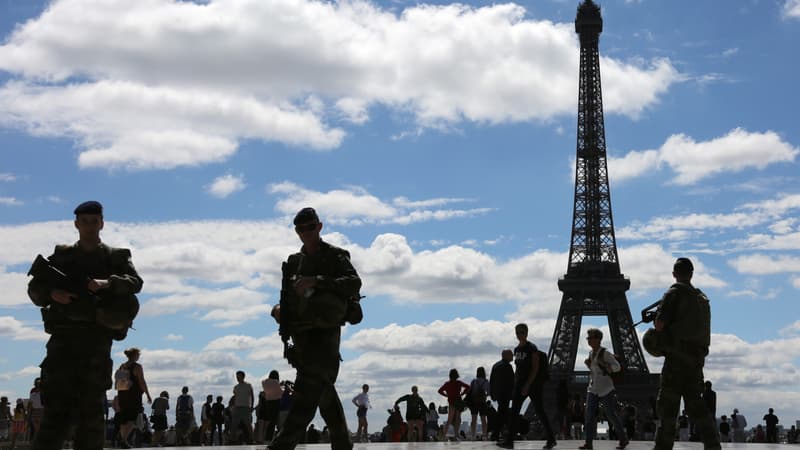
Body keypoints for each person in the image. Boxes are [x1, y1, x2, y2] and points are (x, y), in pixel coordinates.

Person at [27, 200, 143, 449]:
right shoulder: (63, 256)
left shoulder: (116, 257)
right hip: (63, 341)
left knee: (91, 412)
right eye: (85, 222)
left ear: (102, 223)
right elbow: (35, 289)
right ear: (76, 224)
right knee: (56, 411)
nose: (90, 226)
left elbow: (135, 283)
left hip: (95, 341)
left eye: (94, 221)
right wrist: (52, 294)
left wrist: (107, 283)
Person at [268, 207, 362, 450]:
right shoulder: (293, 262)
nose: (305, 233)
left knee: (308, 389)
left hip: (325, 331)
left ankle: (284, 443)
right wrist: (278, 311)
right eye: (300, 229)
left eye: (310, 227)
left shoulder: (335, 256)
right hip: (300, 334)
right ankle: (341, 441)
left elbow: (353, 283)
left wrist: (317, 281)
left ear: (319, 227)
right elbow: (287, 296)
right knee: (322, 390)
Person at [649, 258, 720, 450]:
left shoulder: (674, 293)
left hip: (676, 360)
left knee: (668, 409)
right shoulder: (701, 298)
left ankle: (663, 447)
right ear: (692, 273)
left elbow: (661, 324)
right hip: (696, 360)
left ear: (674, 274)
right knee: (697, 407)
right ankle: (713, 445)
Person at [498, 323, 556, 450]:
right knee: (514, 412)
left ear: (527, 333)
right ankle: (509, 441)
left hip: (532, 385)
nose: (520, 335)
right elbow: (518, 369)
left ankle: (551, 438)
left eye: (522, 332)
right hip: (519, 385)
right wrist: (516, 384)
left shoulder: (532, 348)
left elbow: (535, 369)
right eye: (518, 332)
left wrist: (527, 385)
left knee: (540, 412)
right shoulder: (516, 350)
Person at [578, 328, 628, 450]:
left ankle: (623, 439)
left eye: (590, 338)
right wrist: (590, 365)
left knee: (610, 415)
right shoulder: (591, 353)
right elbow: (595, 372)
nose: (588, 340)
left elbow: (618, 367)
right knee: (588, 416)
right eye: (588, 338)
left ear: (598, 339)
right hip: (593, 388)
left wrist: (608, 367)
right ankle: (588, 443)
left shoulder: (605, 353)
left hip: (606, 389)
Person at [116, 347, 152, 447]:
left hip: (123, 395)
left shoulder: (122, 366)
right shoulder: (137, 367)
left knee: (124, 419)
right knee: (132, 418)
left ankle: (124, 441)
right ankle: (123, 440)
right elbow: (142, 381)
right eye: (138, 354)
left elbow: (119, 383)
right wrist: (148, 395)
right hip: (133, 396)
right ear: (135, 355)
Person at [438, 368, 470, 440]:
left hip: (451, 403)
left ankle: (444, 435)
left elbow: (440, 391)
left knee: (449, 419)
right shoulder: (459, 383)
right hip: (458, 402)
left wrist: (446, 395)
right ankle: (456, 435)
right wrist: (463, 393)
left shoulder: (447, 384)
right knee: (458, 419)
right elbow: (468, 387)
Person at [489, 349, 514, 442]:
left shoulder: (496, 365)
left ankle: (497, 433)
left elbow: (492, 381)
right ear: (506, 356)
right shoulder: (508, 366)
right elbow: (512, 382)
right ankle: (503, 433)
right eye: (511, 355)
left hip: (498, 394)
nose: (513, 356)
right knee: (503, 414)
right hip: (505, 394)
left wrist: (492, 394)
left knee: (502, 413)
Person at [231, 370, 255, 443]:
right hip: (237, 407)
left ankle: (251, 439)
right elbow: (234, 397)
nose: (238, 378)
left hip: (245, 407)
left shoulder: (248, 385)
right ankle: (233, 439)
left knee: (248, 424)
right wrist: (233, 406)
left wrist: (251, 406)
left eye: (239, 376)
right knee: (234, 424)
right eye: (237, 377)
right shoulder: (236, 387)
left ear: (243, 377)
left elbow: (252, 396)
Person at [261, 371, 283, 443]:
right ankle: (270, 438)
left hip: (268, 402)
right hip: (276, 402)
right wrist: (281, 386)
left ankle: (268, 437)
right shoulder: (276, 382)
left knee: (271, 421)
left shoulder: (264, 382)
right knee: (275, 421)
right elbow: (280, 392)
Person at [468, 367, 490, 440]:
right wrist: (484, 395)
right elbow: (489, 392)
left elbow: (470, 392)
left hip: (474, 403)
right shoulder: (486, 382)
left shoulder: (474, 381)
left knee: (473, 420)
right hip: (482, 402)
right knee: (483, 419)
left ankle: (473, 436)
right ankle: (484, 435)